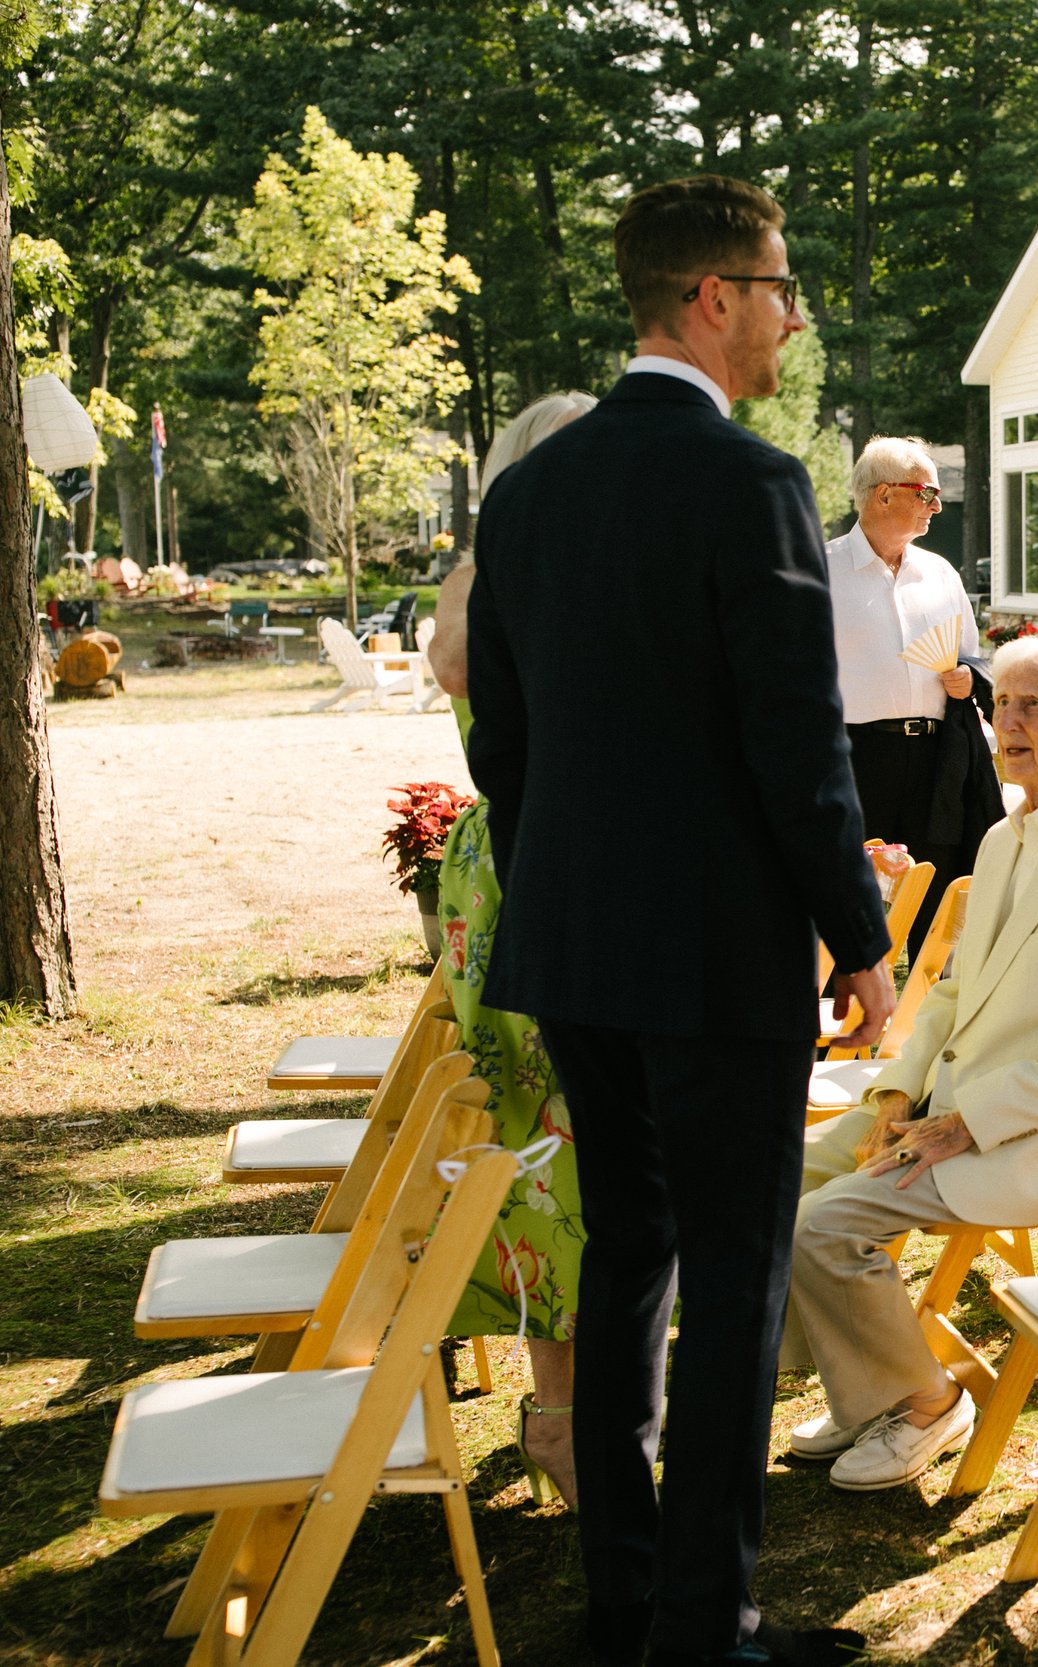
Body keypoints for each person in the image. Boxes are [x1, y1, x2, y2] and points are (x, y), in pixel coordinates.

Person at [464, 173, 895, 1667]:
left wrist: (558, 896)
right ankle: (706, 1629)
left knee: (625, 1257)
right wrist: (865, 937)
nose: (792, 317)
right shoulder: (752, 485)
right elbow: (799, 747)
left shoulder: (528, 491)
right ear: (713, 296)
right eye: (781, 289)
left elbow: (499, 749)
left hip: (576, 951)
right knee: (732, 1279)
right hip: (718, 962)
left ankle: (624, 1598)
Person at [780, 638, 1038, 1491]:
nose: (1010, 723)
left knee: (824, 1225)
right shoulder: (1003, 837)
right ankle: (867, 1387)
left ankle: (922, 1400)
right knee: (770, 1183)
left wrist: (964, 1123)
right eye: (1004, 706)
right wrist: (892, 1090)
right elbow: (952, 999)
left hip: (1031, 1133)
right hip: (939, 1105)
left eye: (1035, 707)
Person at [424, 388, 599, 1510]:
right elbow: (458, 669)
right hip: (535, 869)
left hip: (559, 868)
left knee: (585, 1133)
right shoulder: (492, 576)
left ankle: (591, 1394)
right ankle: (561, 1407)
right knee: (548, 1136)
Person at [828, 436, 1001, 955]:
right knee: (848, 900)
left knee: (938, 896)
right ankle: (839, 1021)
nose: (937, 504)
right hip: (855, 758)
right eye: (926, 492)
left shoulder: (941, 574)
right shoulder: (821, 569)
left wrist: (970, 679)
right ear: (884, 495)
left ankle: (931, 1019)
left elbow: (971, 656)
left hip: (935, 759)